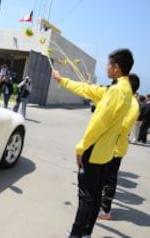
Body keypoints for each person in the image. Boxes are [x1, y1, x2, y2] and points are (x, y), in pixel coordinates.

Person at [52, 48, 134, 238]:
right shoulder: (125, 90)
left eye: (108, 64)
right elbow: (87, 89)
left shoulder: (114, 92)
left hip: (94, 152)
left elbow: (98, 124)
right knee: (96, 196)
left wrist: (81, 148)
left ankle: (75, 235)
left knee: (86, 198)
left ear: (117, 68)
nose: (106, 67)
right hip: (107, 154)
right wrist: (61, 79)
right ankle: (87, 232)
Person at [99, 73, 140, 220]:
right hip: (111, 147)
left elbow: (121, 128)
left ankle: (105, 211)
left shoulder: (133, 105)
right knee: (105, 179)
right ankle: (103, 208)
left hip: (115, 150)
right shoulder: (125, 100)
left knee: (108, 180)